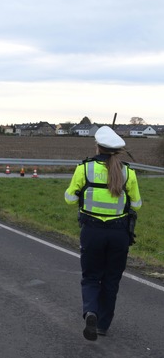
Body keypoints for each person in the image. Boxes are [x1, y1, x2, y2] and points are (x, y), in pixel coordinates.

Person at [64, 126, 142, 341]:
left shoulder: (85, 169)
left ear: (97, 146)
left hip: (92, 231)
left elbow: (70, 199)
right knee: (111, 279)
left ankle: (91, 312)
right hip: (119, 234)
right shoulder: (128, 171)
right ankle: (103, 325)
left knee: (91, 277)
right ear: (116, 150)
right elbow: (137, 204)